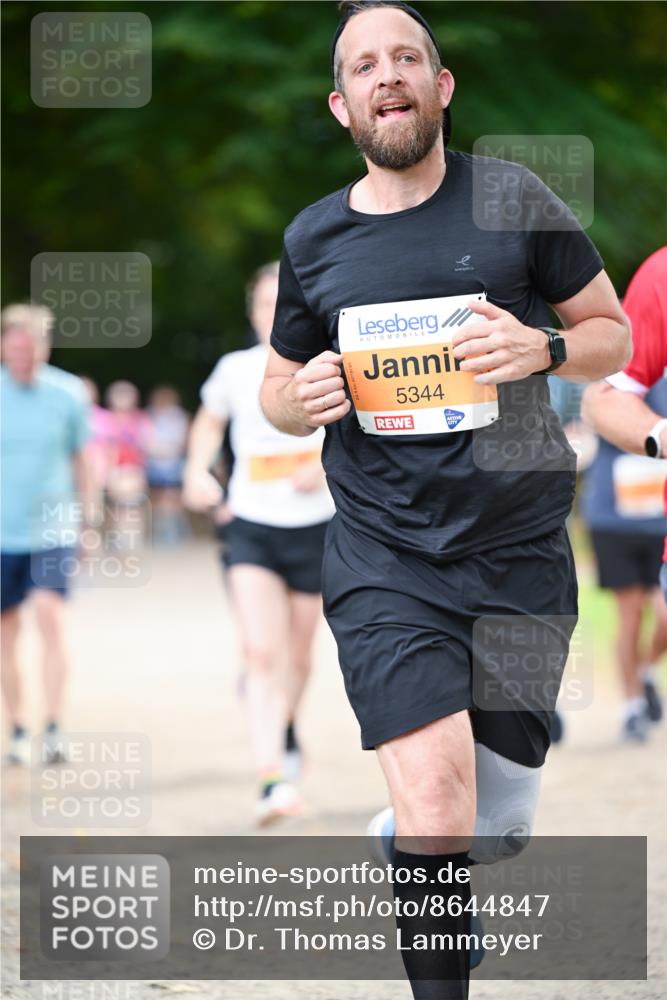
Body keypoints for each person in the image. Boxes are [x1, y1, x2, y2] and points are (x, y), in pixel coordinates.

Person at [259, 2, 631, 996]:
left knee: (491, 827)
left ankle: (429, 856)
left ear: (440, 85)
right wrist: (302, 400)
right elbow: (277, 388)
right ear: (342, 106)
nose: (390, 75)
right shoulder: (314, 238)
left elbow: (611, 332)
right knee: (434, 807)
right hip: (385, 558)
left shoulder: (511, 198)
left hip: (517, 551)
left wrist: (544, 347)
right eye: (366, 66)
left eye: (408, 57)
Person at [183, 262, 335, 826]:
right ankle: (272, 778)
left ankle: (285, 726)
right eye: (263, 303)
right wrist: (198, 470)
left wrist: (322, 467)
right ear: (251, 311)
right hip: (251, 524)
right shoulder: (233, 369)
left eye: (282, 302)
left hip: (317, 527)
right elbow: (206, 425)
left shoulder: (327, 367)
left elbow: (358, 433)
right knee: (259, 652)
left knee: (298, 655)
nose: (272, 312)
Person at [1, 304, 91, 765]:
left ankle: (53, 726)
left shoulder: (68, 392)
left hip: (53, 526)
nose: (25, 355)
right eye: (16, 346)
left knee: (50, 616)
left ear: (46, 346)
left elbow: (83, 458)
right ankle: (17, 728)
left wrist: (89, 520)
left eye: (33, 346)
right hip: (2, 533)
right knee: (6, 633)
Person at [582, 246, 667, 733]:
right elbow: (603, 407)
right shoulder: (601, 374)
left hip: (656, 513)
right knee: (630, 611)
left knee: (659, 613)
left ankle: (646, 670)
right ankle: (632, 705)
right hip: (614, 512)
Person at [144, 386, 191, 545]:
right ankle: (161, 533)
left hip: (173, 462)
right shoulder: (148, 416)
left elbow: (184, 441)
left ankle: (175, 532)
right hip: (154, 463)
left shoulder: (180, 417)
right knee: (157, 498)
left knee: (173, 497)